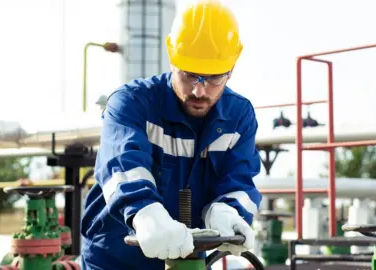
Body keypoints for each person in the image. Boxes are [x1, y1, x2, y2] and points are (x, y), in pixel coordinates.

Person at [80, 0, 262, 269]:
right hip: (116, 258)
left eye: (214, 78)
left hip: (188, 258)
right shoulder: (130, 103)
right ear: (172, 58)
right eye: (190, 76)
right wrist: (145, 214)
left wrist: (228, 210)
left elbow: (239, 178)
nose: (200, 91)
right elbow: (123, 166)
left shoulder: (239, 117)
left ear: (231, 68)